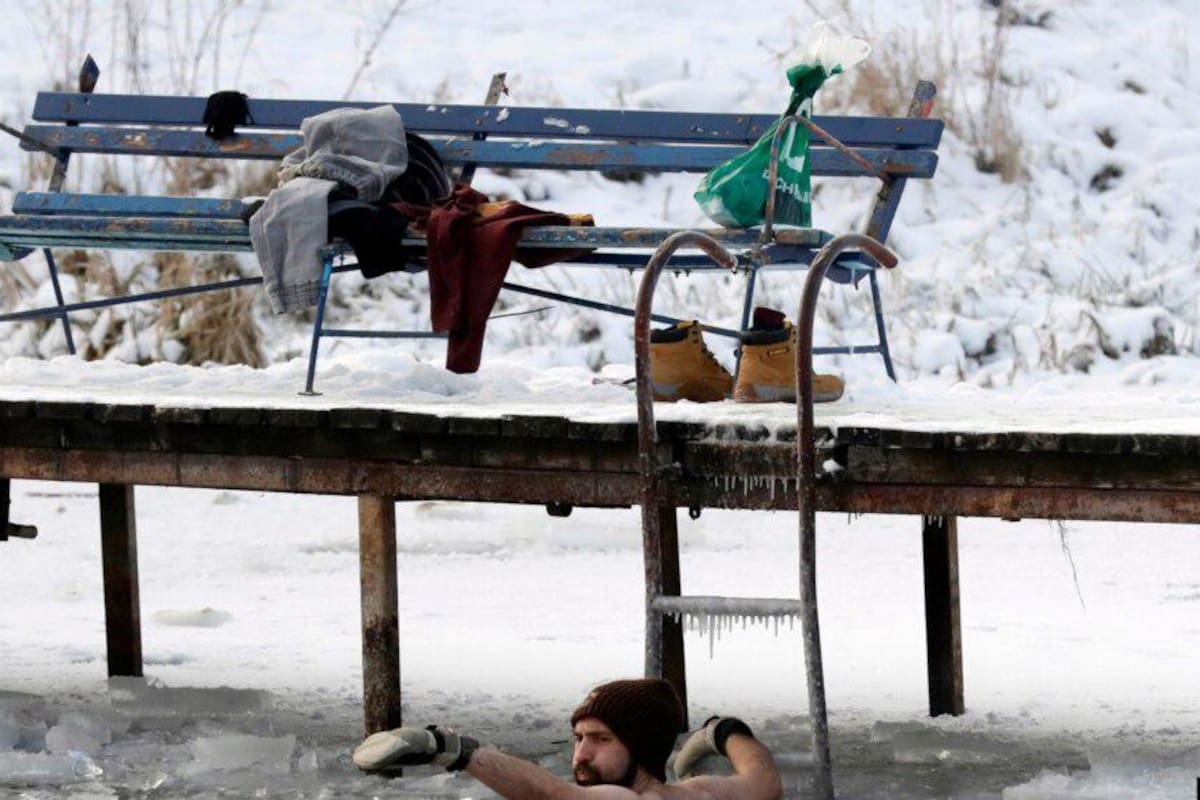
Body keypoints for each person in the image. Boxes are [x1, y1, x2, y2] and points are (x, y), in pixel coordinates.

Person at [352, 677, 783, 799]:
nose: (581, 753)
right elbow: (763, 780)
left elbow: (550, 793)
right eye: (578, 738)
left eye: (601, 739)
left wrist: (448, 749)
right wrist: (721, 732)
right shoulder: (698, 793)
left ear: (640, 746)